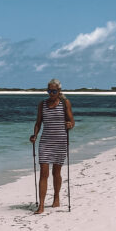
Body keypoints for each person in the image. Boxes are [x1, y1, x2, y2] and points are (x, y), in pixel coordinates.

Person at [29, 79, 75, 213]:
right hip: (45, 141)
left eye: (54, 91)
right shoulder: (42, 104)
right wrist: (35, 135)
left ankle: (56, 197)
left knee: (56, 172)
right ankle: (41, 205)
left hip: (60, 141)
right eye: (49, 91)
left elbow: (71, 121)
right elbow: (38, 122)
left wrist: (70, 125)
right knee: (44, 172)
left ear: (59, 91)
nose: (51, 93)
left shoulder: (65, 103)